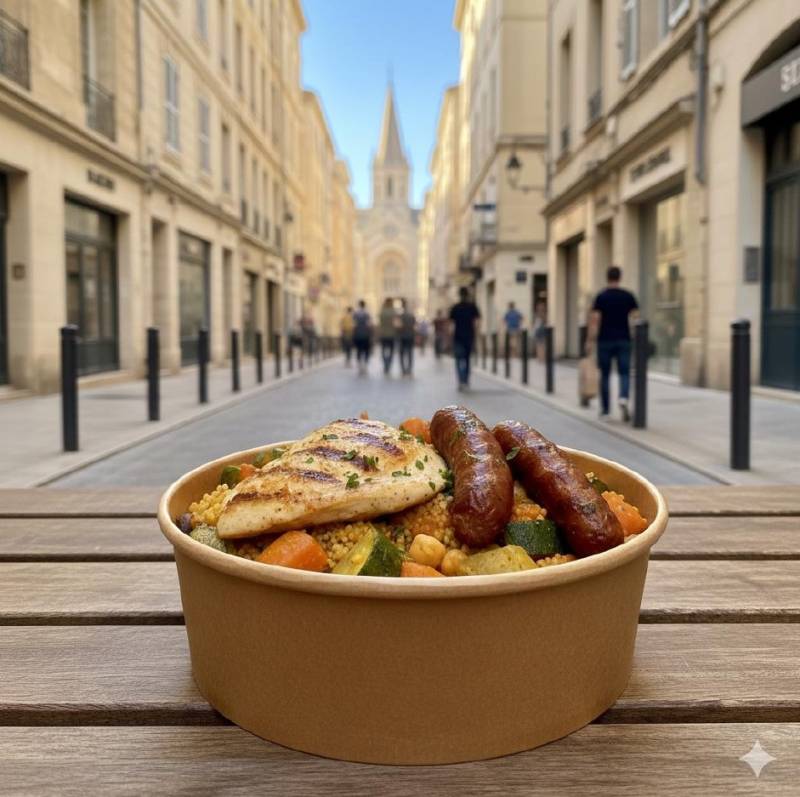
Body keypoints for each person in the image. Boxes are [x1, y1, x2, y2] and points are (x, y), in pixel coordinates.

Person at [590, 265, 639, 421]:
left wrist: (590, 340)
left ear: (607, 278)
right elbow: (636, 317)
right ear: (620, 277)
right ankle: (623, 397)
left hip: (604, 340)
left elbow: (595, 320)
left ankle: (606, 411)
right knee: (624, 372)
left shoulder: (601, 296)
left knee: (605, 375)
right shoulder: (628, 296)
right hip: (624, 339)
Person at [449, 287, 481, 390]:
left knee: (459, 360)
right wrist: (476, 333)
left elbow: (451, 325)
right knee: (467, 359)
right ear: (467, 295)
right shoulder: (472, 306)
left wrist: (450, 337)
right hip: (469, 336)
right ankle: (465, 380)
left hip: (458, 337)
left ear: (460, 295)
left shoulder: (455, 307)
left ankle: (461, 381)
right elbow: (477, 322)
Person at [351, 300, 372, 375]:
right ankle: (365, 365)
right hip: (366, 335)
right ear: (364, 305)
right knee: (366, 351)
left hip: (357, 335)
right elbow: (369, 325)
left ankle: (360, 365)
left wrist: (354, 334)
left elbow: (354, 325)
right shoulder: (367, 313)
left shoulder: (355, 314)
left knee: (359, 350)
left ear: (359, 305)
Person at [378, 298, 397, 375]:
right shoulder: (393, 312)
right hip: (392, 334)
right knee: (391, 351)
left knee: (383, 350)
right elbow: (396, 324)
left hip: (383, 334)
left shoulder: (382, 312)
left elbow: (380, 323)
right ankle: (388, 364)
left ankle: (385, 364)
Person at [398, 299, 416, 376]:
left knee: (402, 353)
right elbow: (414, 325)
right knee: (410, 353)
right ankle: (409, 369)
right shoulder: (411, 315)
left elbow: (398, 327)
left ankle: (403, 369)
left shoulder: (400, 316)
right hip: (410, 336)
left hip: (402, 336)